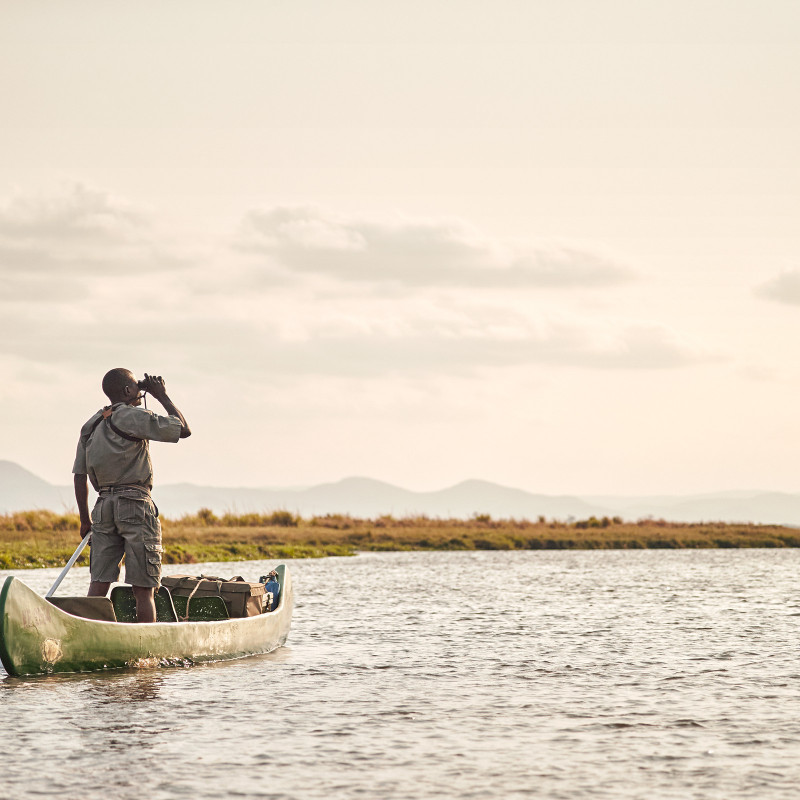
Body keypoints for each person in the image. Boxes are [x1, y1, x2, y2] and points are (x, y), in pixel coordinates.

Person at [72, 369, 191, 622]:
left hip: (102, 506)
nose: (140, 393)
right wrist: (162, 395)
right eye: (136, 389)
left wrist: (85, 521)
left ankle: (93, 638)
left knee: (99, 583)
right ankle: (146, 655)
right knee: (143, 589)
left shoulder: (91, 424)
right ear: (127, 391)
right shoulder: (132, 416)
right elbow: (183, 429)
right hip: (135, 505)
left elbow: (79, 476)